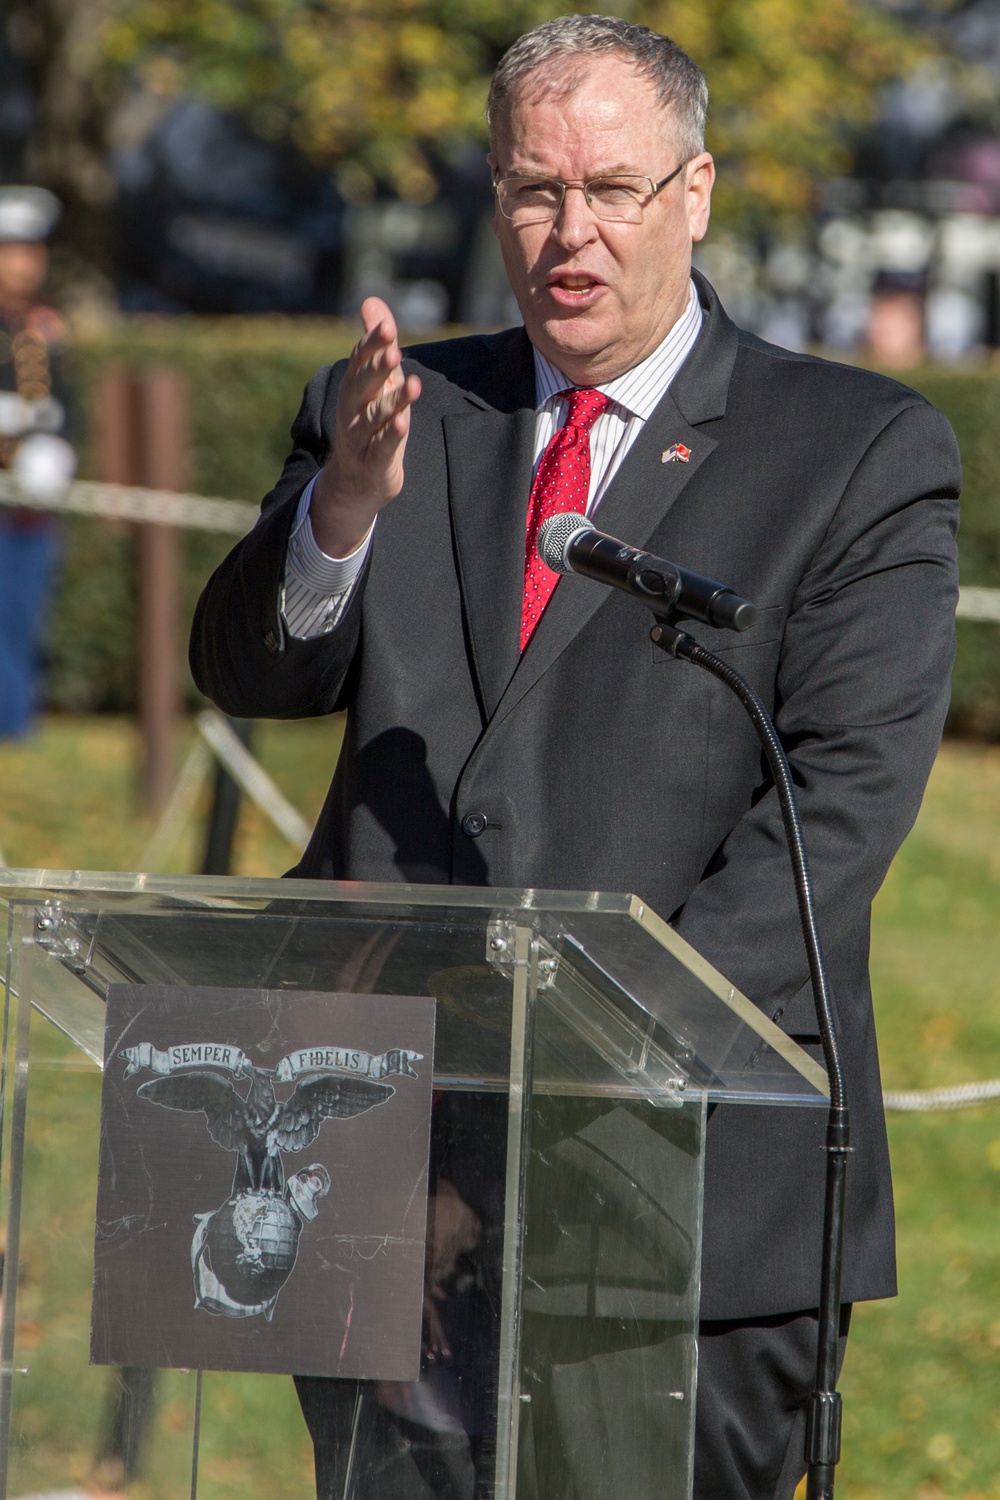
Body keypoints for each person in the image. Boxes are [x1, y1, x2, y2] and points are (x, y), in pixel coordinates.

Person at [190, 15, 960, 1499]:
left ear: (698, 192)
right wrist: (343, 503)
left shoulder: (856, 450)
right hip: (376, 1181)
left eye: (613, 189)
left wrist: (553, 1100)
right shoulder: (403, 405)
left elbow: (834, 822)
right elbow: (251, 668)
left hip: (671, 1192)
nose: (571, 232)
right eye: (534, 191)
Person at [0, 185, 75, 738]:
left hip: (28, 505)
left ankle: (16, 723)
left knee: (24, 612)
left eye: (31, 251)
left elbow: (63, 409)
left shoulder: (42, 327)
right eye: (11, 250)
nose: (24, 264)